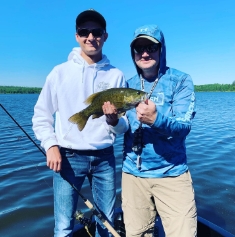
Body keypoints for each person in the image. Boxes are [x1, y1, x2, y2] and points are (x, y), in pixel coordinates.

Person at [32, 9, 128, 237]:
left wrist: (114, 121)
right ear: (76, 36)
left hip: (105, 157)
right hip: (68, 158)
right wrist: (50, 145)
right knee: (63, 226)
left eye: (96, 32)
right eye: (84, 31)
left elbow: (124, 127)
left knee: (108, 224)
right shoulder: (59, 73)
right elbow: (40, 115)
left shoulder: (116, 76)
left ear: (105, 36)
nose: (90, 37)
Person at [121, 24, 197, 237]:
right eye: (139, 48)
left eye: (151, 47)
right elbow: (121, 128)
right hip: (133, 176)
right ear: (133, 53)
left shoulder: (180, 80)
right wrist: (110, 120)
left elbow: (184, 127)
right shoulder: (126, 85)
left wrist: (156, 120)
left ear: (161, 49)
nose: (145, 53)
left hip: (172, 174)